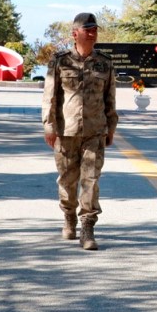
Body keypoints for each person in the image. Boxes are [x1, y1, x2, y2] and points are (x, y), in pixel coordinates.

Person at [42, 13, 118, 251]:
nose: (93, 33)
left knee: (91, 181)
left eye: (95, 29)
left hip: (95, 131)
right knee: (67, 180)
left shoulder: (105, 63)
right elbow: (50, 97)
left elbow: (110, 98)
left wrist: (111, 126)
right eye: (88, 29)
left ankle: (88, 227)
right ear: (75, 33)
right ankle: (69, 217)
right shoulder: (60, 61)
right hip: (66, 131)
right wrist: (49, 126)